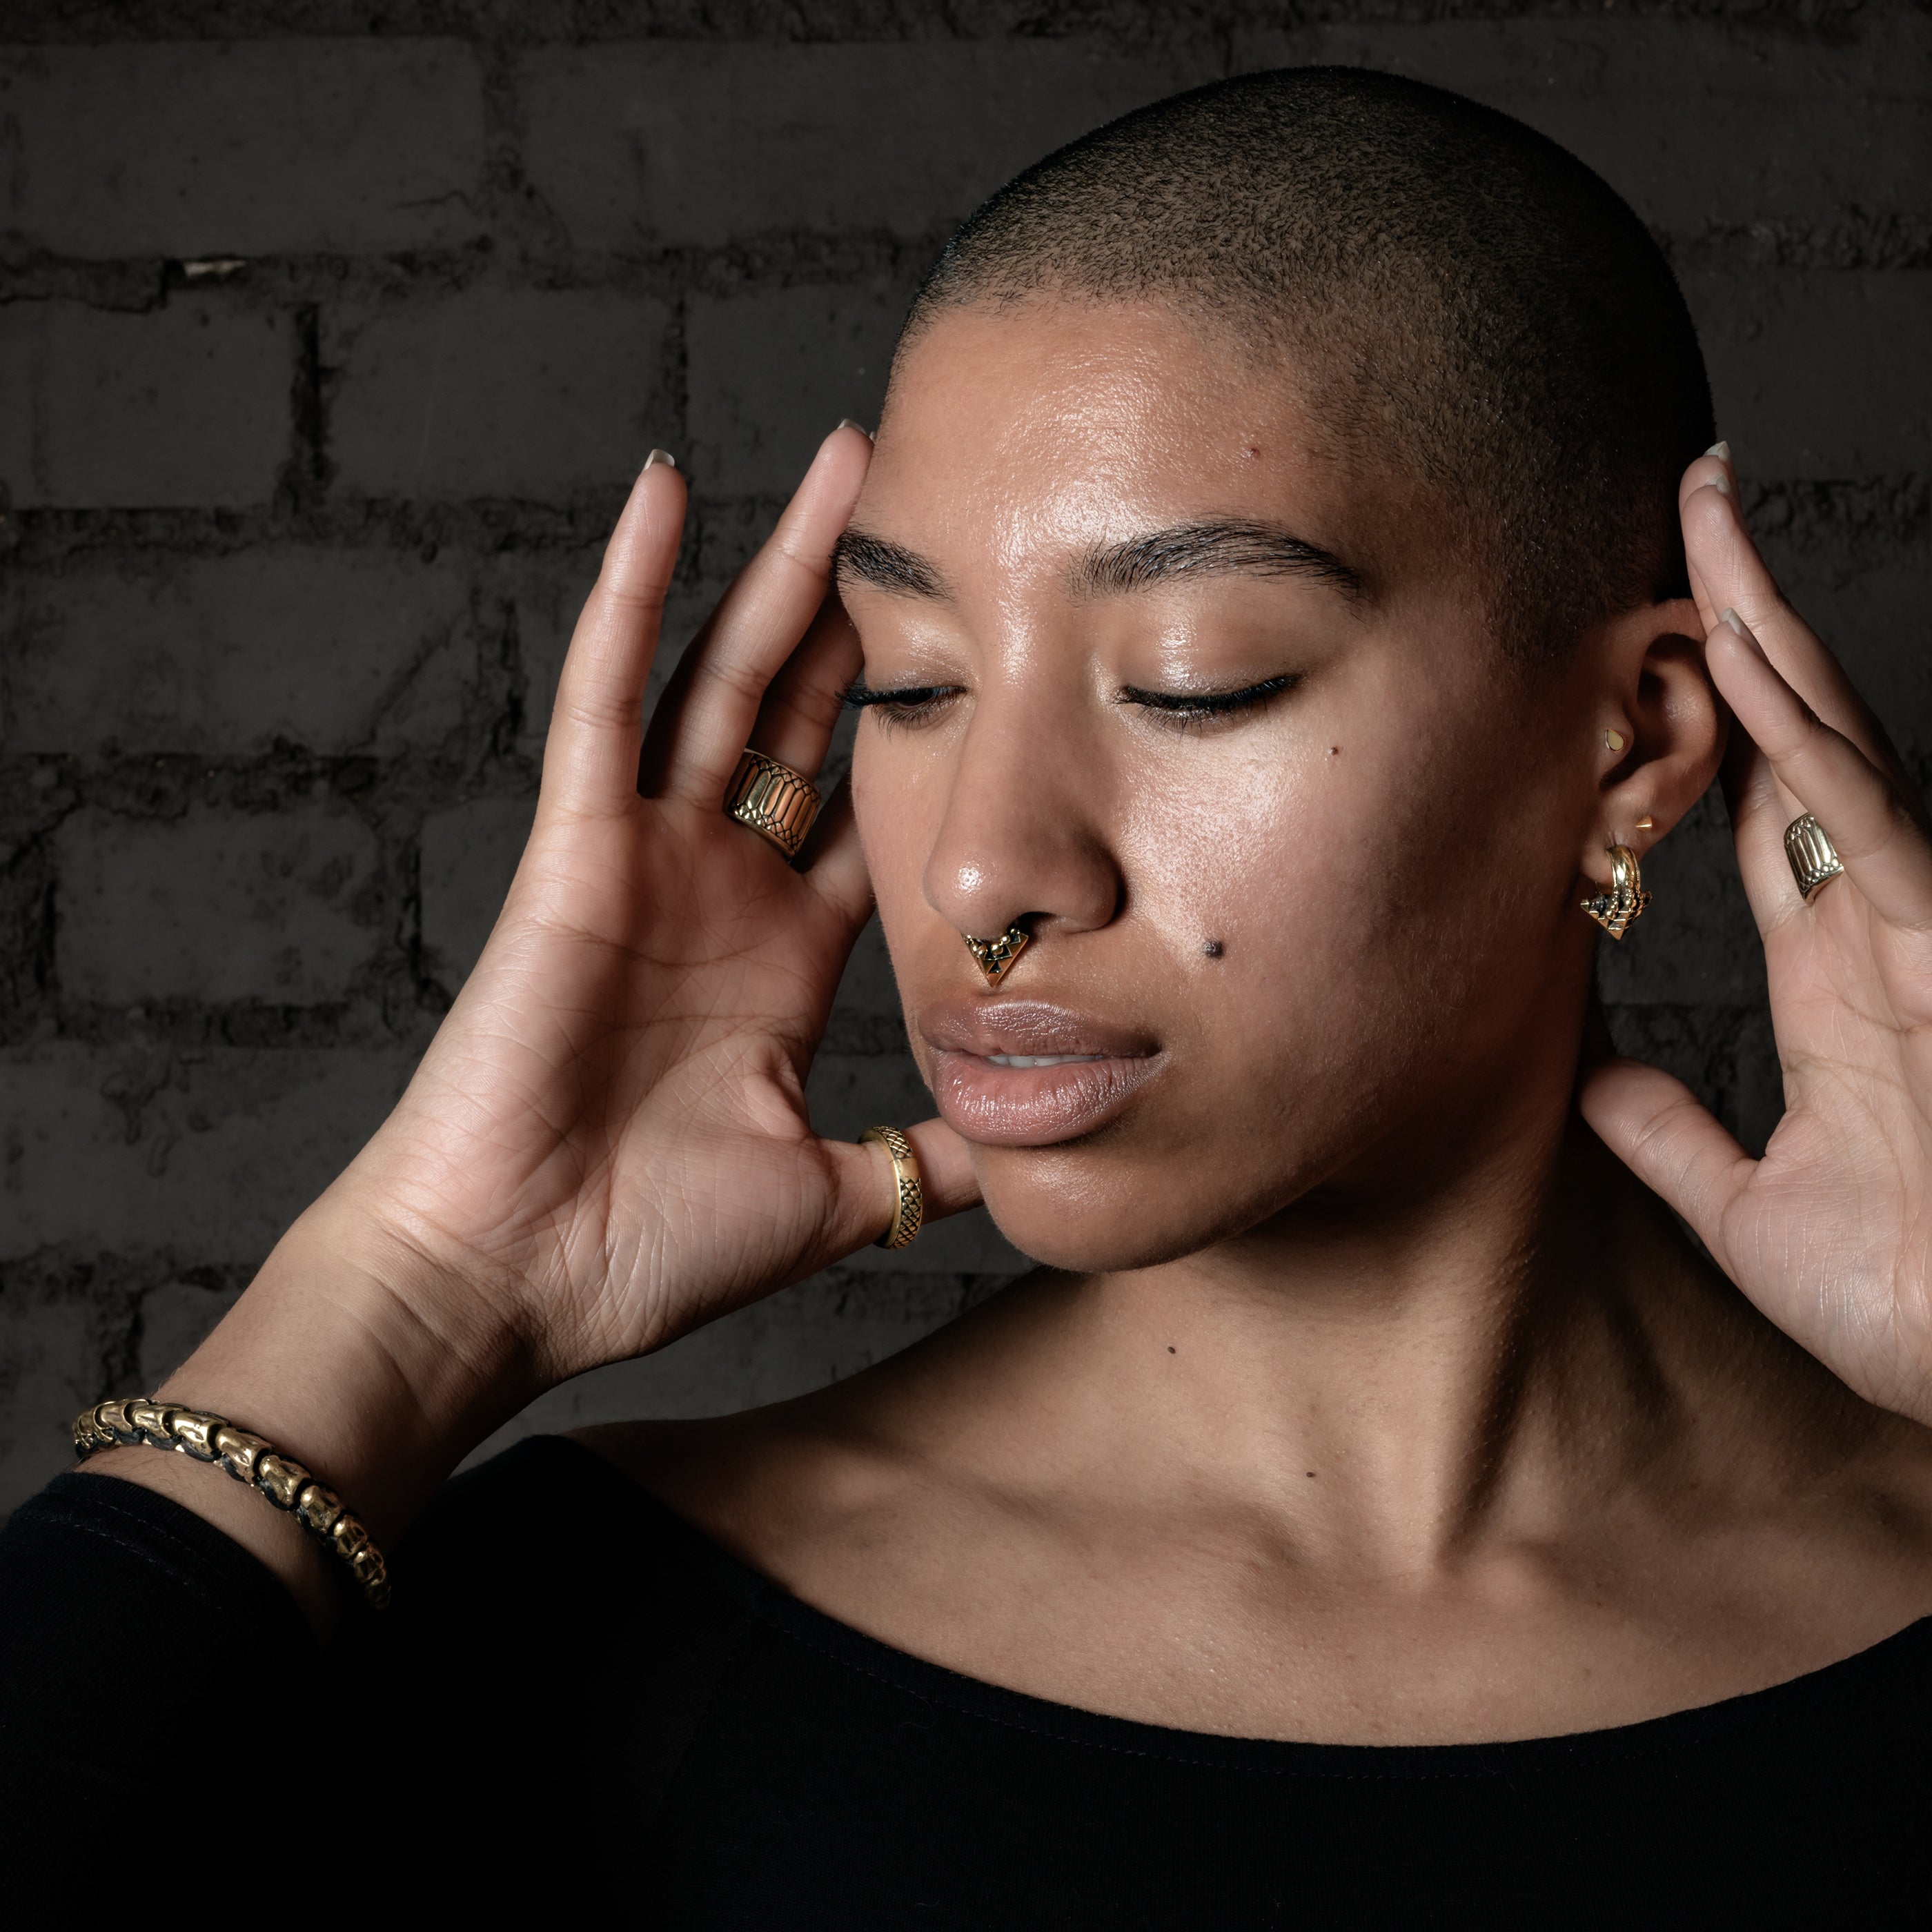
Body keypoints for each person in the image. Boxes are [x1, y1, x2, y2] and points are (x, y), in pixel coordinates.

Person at [4, 67, 1929, 1921]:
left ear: (1634, 738)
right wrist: (416, 1287)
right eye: (913, 683)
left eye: (1190, 680)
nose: (978, 873)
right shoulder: (577, 1649)